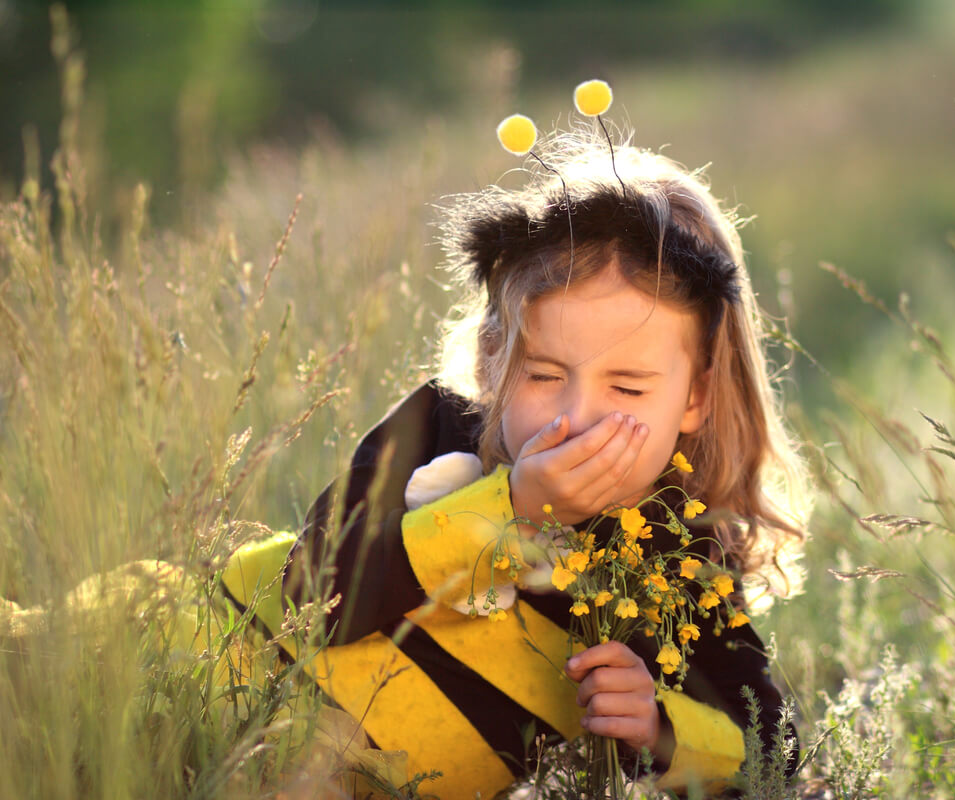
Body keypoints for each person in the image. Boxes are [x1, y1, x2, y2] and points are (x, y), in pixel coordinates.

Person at [252, 127, 813, 799]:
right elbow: (312, 596)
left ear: (694, 396)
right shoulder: (435, 427)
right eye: (544, 375)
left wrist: (659, 728)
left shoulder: (682, 545)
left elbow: (771, 750)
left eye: (628, 388)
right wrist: (510, 510)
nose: (574, 417)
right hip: (238, 686)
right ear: (492, 359)